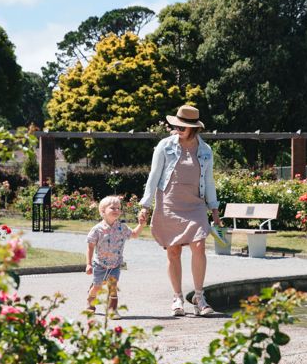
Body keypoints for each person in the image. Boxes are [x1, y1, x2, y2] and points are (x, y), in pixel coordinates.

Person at [138, 105, 221, 317]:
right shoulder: (164, 146)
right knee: (174, 251)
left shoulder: (205, 151)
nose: (177, 129)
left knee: (199, 245)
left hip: (195, 204)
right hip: (169, 202)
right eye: (176, 125)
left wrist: (214, 208)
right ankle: (177, 297)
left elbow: (209, 181)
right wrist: (145, 205)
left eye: (183, 127)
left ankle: (199, 297)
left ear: (194, 128)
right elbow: (154, 175)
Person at [86, 195, 144, 319]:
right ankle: (90, 304)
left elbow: (133, 234)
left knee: (113, 286)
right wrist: (88, 264)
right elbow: (90, 247)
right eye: (113, 208)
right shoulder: (97, 230)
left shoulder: (121, 228)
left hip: (115, 264)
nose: (117, 210)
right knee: (97, 287)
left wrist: (141, 225)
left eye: (118, 208)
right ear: (102, 212)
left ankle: (112, 309)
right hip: (100, 264)